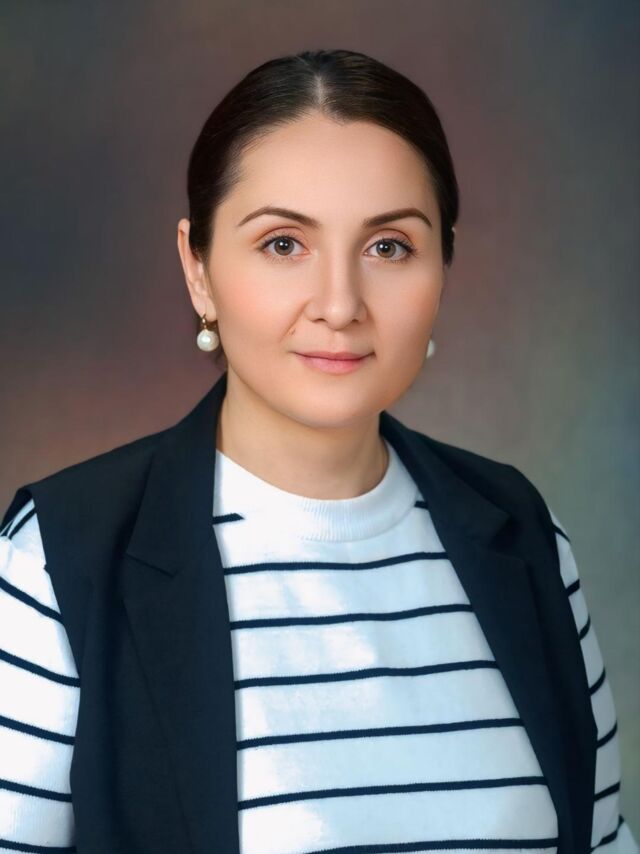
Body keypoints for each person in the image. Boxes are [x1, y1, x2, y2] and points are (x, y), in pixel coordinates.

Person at [0, 48, 637, 854]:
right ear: (199, 270)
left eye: (388, 247)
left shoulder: (524, 536)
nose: (339, 305)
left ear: (444, 264)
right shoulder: (60, 561)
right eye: (283, 244)